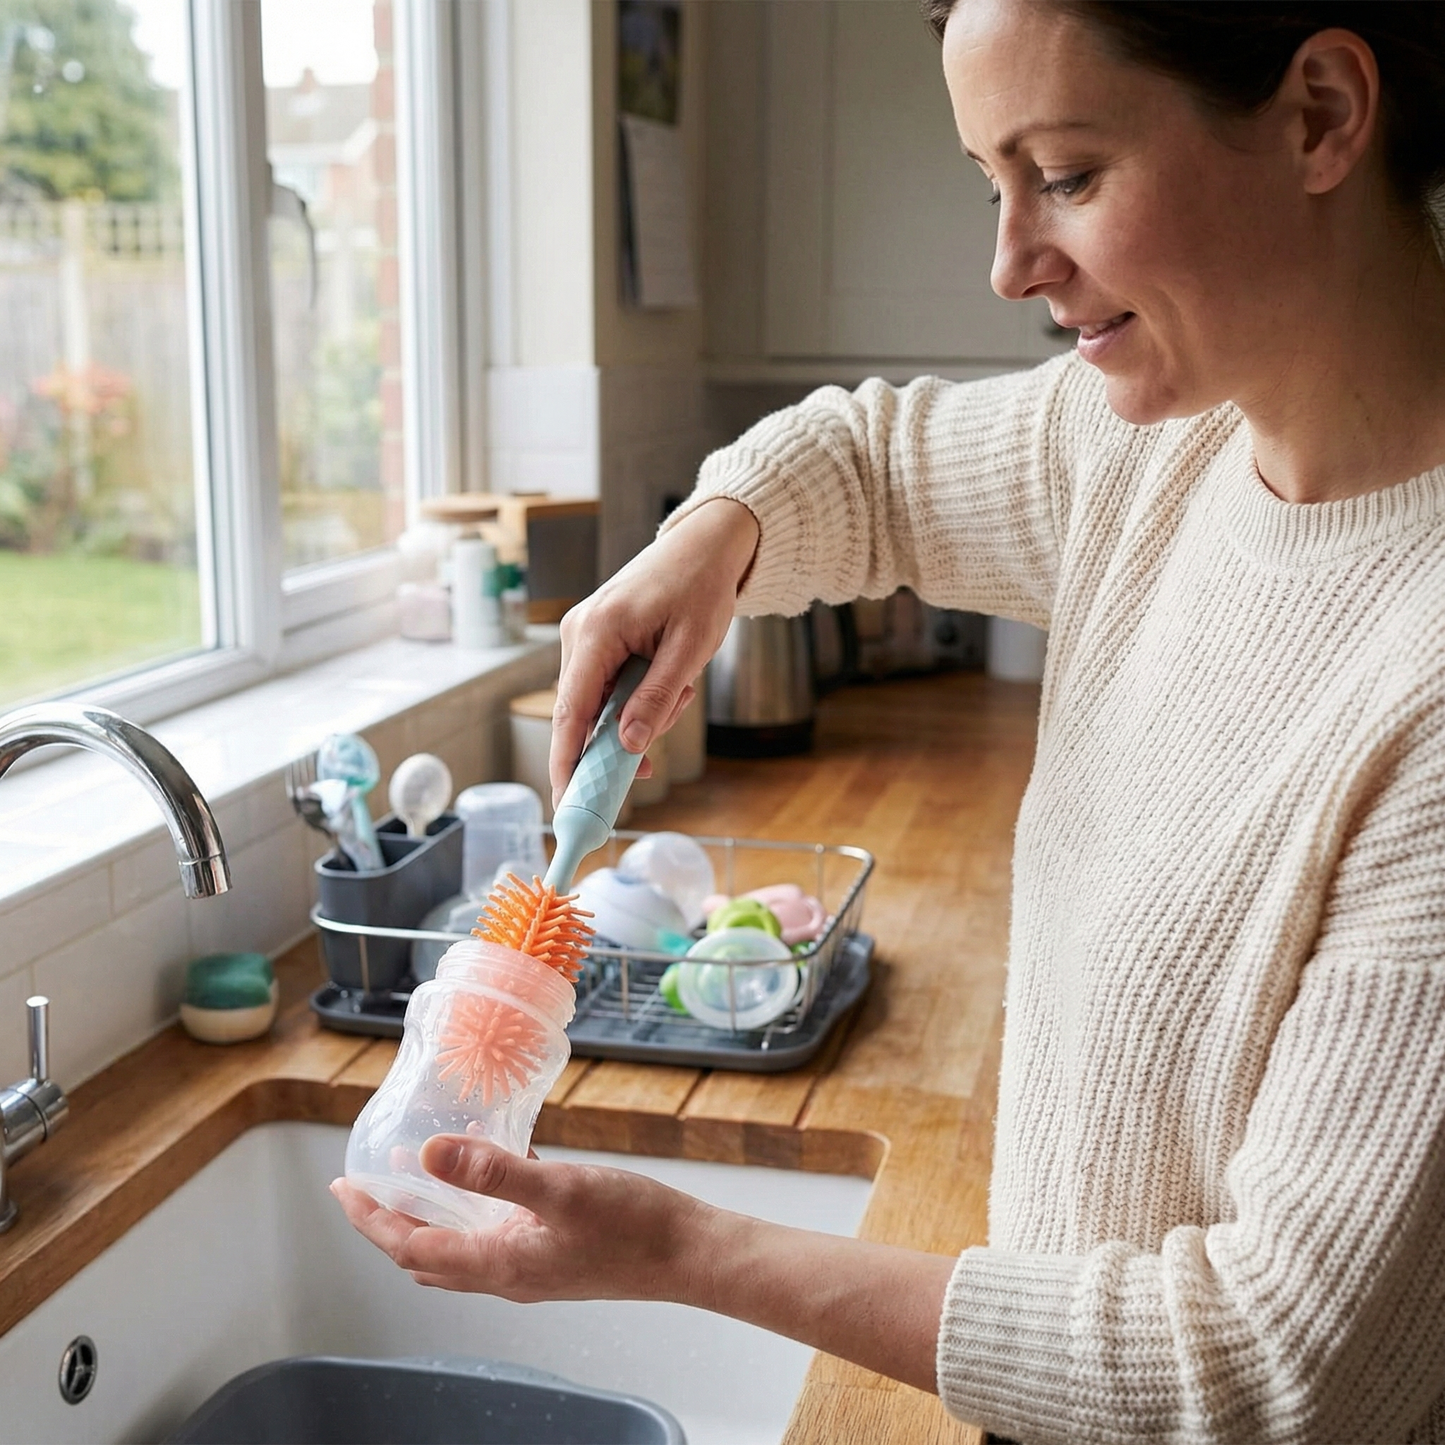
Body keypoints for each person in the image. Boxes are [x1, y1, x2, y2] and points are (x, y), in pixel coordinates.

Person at [332, 2, 1445, 1438]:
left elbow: (1279, 1367)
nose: (1007, 264)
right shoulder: (1157, 446)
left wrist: (681, 1251)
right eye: (994, 180)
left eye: (1068, 174)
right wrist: (710, 537)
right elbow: (869, 460)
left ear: (1320, 116)